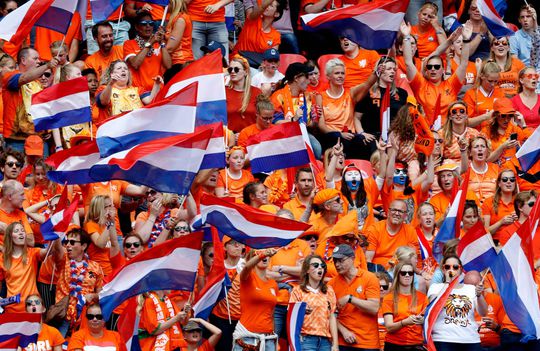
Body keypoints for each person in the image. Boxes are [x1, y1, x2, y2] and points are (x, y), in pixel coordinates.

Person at [401, 21, 471, 123]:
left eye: (437, 66)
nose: (433, 69)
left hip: (447, 133)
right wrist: (406, 36)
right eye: (429, 67)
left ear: (443, 70)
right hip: (426, 134)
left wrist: (466, 39)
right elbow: (408, 62)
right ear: (426, 70)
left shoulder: (451, 85)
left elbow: (464, 63)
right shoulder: (420, 84)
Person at [427, 255, 488, 351]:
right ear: (443, 269)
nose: (451, 270)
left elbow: (483, 313)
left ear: (460, 270)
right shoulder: (436, 287)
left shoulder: (470, 288)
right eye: (447, 267)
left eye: (455, 267)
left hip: (470, 339)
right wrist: (447, 283)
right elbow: (434, 308)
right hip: (444, 339)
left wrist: (479, 296)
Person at [2, 48, 57, 153]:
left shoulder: (38, 83)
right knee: (18, 169)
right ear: (23, 60)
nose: (38, 61)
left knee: (41, 169)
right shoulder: (10, 76)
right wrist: (47, 66)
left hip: (38, 140)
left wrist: (47, 129)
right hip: (16, 140)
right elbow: (23, 79)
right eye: (35, 58)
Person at [328, 244, 381, 351]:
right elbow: (329, 314)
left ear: (352, 259)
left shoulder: (369, 278)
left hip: (368, 342)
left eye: (341, 260)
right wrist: (343, 331)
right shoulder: (332, 284)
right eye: (335, 261)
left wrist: (350, 298)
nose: (337, 265)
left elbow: (374, 308)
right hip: (344, 340)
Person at [0, 222, 61, 312]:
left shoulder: (33, 253)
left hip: (32, 307)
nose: (21, 233)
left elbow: (49, 251)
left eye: (22, 231)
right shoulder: (2, 258)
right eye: (16, 231)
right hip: (12, 308)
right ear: (10, 236)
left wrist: (55, 234)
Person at [55, 227, 104, 337]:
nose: (68, 245)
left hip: (85, 318)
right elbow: (57, 248)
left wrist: (93, 296)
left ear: (84, 246)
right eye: (66, 242)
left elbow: (101, 294)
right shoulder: (63, 260)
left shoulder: (96, 267)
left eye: (72, 242)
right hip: (63, 317)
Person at [289, 254, 339, 351]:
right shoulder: (298, 290)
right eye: (315, 265)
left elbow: (332, 317)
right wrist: (301, 311)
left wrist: (335, 344)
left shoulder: (329, 290)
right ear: (307, 270)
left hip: (325, 341)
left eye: (322, 266)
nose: (320, 267)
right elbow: (292, 317)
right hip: (306, 339)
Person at [232, 248, 279, 351]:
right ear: (253, 258)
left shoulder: (273, 284)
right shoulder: (248, 277)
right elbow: (247, 267)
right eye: (259, 253)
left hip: (268, 339)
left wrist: (274, 339)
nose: (264, 256)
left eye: (266, 254)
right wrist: (262, 255)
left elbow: (271, 314)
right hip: (247, 336)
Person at [354, 57, 408, 141]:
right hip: (373, 137)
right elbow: (356, 117)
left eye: (394, 69)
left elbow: (405, 119)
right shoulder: (368, 93)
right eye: (389, 69)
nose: (392, 71)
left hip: (395, 138)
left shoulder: (402, 93)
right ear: (380, 71)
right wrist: (362, 133)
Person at [382, 261, 428, 350]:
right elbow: (389, 327)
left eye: (410, 273)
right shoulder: (389, 298)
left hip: (416, 344)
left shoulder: (423, 297)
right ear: (397, 275)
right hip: (394, 344)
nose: (407, 275)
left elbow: (429, 322)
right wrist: (404, 322)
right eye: (403, 273)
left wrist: (423, 320)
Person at [96, 60, 161, 119]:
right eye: (119, 68)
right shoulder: (103, 89)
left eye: (125, 68)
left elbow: (150, 101)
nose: (123, 70)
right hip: (115, 130)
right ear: (111, 74)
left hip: (135, 129)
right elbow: (103, 101)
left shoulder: (137, 90)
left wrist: (157, 84)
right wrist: (110, 84)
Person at [364, 199, 420, 268]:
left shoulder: (410, 231)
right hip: (378, 272)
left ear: (405, 215)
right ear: (388, 211)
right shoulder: (374, 229)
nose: (397, 213)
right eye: (394, 210)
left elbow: (412, 259)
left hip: (401, 271)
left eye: (401, 211)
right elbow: (368, 260)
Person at [124, 11, 171, 91]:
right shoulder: (129, 43)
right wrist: (151, 42)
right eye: (144, 24)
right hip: (138, 91)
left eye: (151, 23)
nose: (148, 26)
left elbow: (168, 66)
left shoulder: (159, 44)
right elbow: (135, 64)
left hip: (158, 90)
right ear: (136, 27)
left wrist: (162, 43)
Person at [481, 97, 530, 164]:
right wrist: (502, 147)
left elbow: (531, 146)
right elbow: (486, 160)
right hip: (494, 171)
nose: (506, 120)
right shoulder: (486, 132)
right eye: (503, 116)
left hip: (513, 171)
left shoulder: (515, 129)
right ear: (496, 115)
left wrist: (523, 125)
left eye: (510, 115)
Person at [463, 60, 504, 128]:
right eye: (490, 81)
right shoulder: (471, 94)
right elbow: (466, 122)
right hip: (477, 133)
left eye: (496, 81)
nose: (493, 84)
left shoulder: (500, 92)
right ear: (482, 76)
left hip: (496, 132)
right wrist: (485, 117)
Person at [226, 55, 262, 132]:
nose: (232, 71)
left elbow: (263, 118)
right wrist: (230, 135)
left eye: (236, 69)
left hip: (251, 137)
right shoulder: (223, 92)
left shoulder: (257, 92)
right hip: (230, 139)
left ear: (245, 72)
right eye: (230, 69)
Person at [84, 195, 118, 276]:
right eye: (109, 206)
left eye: (112, 205)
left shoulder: (108, 224)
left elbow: (114, 243)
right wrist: (109, 224)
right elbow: (100, 244)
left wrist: (111, 222)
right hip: (99, 272)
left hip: (111, 270)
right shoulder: (90, 224)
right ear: (100, 209)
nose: (112, 208)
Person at [481, 169, 518, 241]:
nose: (508, 182)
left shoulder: (521, 202)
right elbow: (485, 233)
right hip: (496, 244)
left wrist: (519, 220)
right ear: (499, 183)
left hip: (515, 244)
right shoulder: (488, 202)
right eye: (504, 179)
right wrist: (501, 222)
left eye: (512, 179)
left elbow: (529, 230)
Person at [461, 136, 499, 204]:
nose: (480, 149)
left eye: (483, 146)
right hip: (471, 208)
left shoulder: (496, 169)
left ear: (487, 151)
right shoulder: (465, 170)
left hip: (493, 207)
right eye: (476, 147)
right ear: (470, 152)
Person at [509, 5, 539, 70]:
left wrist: (535, 22)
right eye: (522, 17)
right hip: (524, 72)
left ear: (534, 18)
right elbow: (515, 62)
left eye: (528, 16)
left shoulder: (538, 33)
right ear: (519, 20)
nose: (525, 19)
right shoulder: (514, 37)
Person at [165, 0, 195, 67]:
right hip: (174, 61)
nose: (166, 5)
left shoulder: (180, 19)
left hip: (180, 62)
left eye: (169, 2)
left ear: (175, 3)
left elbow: (170, 48)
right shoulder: (174, 18)